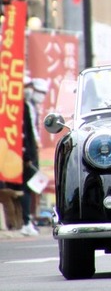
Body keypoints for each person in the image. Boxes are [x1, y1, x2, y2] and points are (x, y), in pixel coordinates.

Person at [7, 77, 49, 236]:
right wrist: (27, 155)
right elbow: (23, 133)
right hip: (22, 155)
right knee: (25, 187)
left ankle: (27, 220)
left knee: (31, 187)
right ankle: (25, 221)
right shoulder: (19, 106)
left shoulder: (29, 105)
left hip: (30, 153)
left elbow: (32, 132)